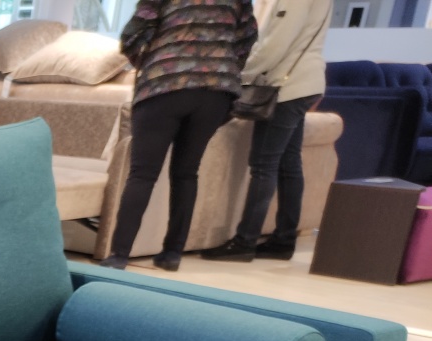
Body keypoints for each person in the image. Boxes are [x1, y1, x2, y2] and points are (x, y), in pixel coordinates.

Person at [100, 0, 258, 271]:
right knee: (186, 172)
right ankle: (172, 254)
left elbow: (133, 35)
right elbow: (247, 39)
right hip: (216, 90)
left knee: (142, 174)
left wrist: (152, 61)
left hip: (165, 83)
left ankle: (119, 255)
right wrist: (221, 65)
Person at [201, 0, 331, 262]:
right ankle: (284, 240)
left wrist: (241, 72)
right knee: (288, 164)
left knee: (264, 165)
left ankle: (244, 242)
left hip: (286, 86)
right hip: (306, 81)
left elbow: (276, 43)